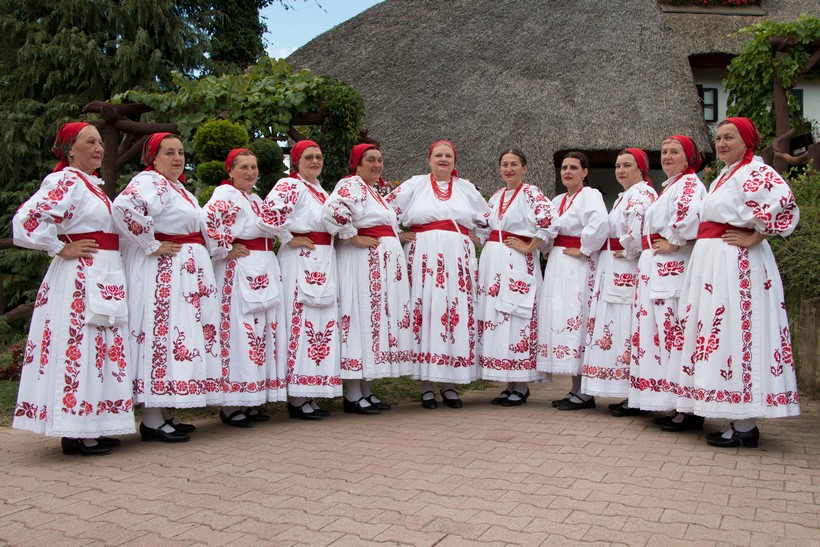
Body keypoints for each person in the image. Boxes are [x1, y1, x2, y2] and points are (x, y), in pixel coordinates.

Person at [672, 117, 800, 448]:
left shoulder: (753, 170)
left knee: (738, 332)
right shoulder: (727, 175)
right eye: (718, 138)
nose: (722, 143)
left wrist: (758, 234)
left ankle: (745, 424)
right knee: (722, 335)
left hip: (736, 265)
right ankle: (736, 417)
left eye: (730, 137)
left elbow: (783, 200)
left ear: (747, 141)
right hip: (715, 263)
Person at [12, 122, 135, 455]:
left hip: (103, 276)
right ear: (69, 150)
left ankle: (95, 422)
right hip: (80, 277)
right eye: (90, 142)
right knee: (80, 348)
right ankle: (74, 430)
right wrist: (58, 246)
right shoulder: (65, 180)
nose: (99, 148)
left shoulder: (90, 185)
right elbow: (27, 220)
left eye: (100, 142)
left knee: (102, 350)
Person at [113, 132, 222, 442]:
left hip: (182, 272)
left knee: (177, 337)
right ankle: (150, 419)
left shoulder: (177, 188)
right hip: (164, 271)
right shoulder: (151, 181)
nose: (177, 158)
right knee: (159, 334)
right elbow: (122, 208)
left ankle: (162, 412)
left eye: (181, 152)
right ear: (153, 158)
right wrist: (151, 244)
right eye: (170, 152)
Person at [385, 140, 490, 408]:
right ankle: (426, 386)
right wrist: (397, 233)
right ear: (429, 159)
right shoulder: (415, 184)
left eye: (448, 156)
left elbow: (490, 218)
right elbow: (384, 209)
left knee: (453, 314)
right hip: (423, 258)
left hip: (457, 260)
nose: (443, 159)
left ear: (455, 162)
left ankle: (450, 384)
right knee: (428, 313)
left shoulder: (466, 189)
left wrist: (478, 238)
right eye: (438, 155)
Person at [323, 144, 413, 414]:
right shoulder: (351, 184)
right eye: (370, 160)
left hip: (380, 264)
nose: (377, 165)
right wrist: (352, 236)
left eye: (380, 160)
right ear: (357, 164)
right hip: (362, 263)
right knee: (361, 318)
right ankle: (352, 394)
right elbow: (332, 210)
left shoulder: (373, 191)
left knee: (373, 322)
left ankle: (364, 389)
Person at [202, 148, 288, 427]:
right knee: (238, 333)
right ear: (230, 171)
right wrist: (223, 249)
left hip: (261, 266)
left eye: (254, 167)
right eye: (244, 167)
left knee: (258, 334)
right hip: (239, 269)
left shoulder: (252, 198)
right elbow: (207, 220)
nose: (250, 172)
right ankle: (230, 404)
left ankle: (248, 400)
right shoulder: (225, 195)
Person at [627, 135, 707, 431]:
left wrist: (674, 240)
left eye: (675, 152)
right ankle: (670, 401)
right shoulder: (670, 187)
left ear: (688, 158)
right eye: (664, 152)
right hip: (655, 266)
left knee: (674, 334)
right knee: (659, 335)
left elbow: (693, 215)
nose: (668, 156)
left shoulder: (689, 184)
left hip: (672, 269)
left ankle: (687, 409)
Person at [265, 140, 342, 420]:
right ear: (296, 161)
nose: (315, 161)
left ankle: (311, 390)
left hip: (323, 259)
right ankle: (297, 397)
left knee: (320, 325)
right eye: (308, 157)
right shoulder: (290, 186)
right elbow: (268, 215)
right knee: (299, 323)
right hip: (300, 259)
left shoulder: (321, 191)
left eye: (319, 157)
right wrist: (287, 237)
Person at [477, 149, 557, 406]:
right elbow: (481, 226)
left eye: (514, 164)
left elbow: (549, 221)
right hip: (494, 262)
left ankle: (521, 384)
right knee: (499, 318)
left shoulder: (531, 193)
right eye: (504, 165)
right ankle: (509, 381)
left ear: (525, 168)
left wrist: (530, 245)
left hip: (517, 261)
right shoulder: (497, 196)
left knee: (518, 316)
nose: (508, 169)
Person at [581, 149, 657, 415]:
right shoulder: (626, 196)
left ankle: (629, 393)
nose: (621, 170)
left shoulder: (642, 194)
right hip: (613, 266)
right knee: (615, 325)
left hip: (626, 266)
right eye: (617, 165)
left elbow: (639, 231)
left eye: (627, 165)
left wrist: (630, 249)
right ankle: (622, 390)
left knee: (625, 326)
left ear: (641, 168)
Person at [536, 151, 608, 410]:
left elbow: (600, 222)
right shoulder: (556, 200)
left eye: (573, 168)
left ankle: (585, 393)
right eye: (564, 168)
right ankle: (575, 388)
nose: (567, 172)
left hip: (578, 265)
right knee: (562, 320)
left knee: (578, 318)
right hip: (558, 263)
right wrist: (545, 246)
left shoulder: (590, 195)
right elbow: (547, 229)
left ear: (585, 172)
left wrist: (585, 248)